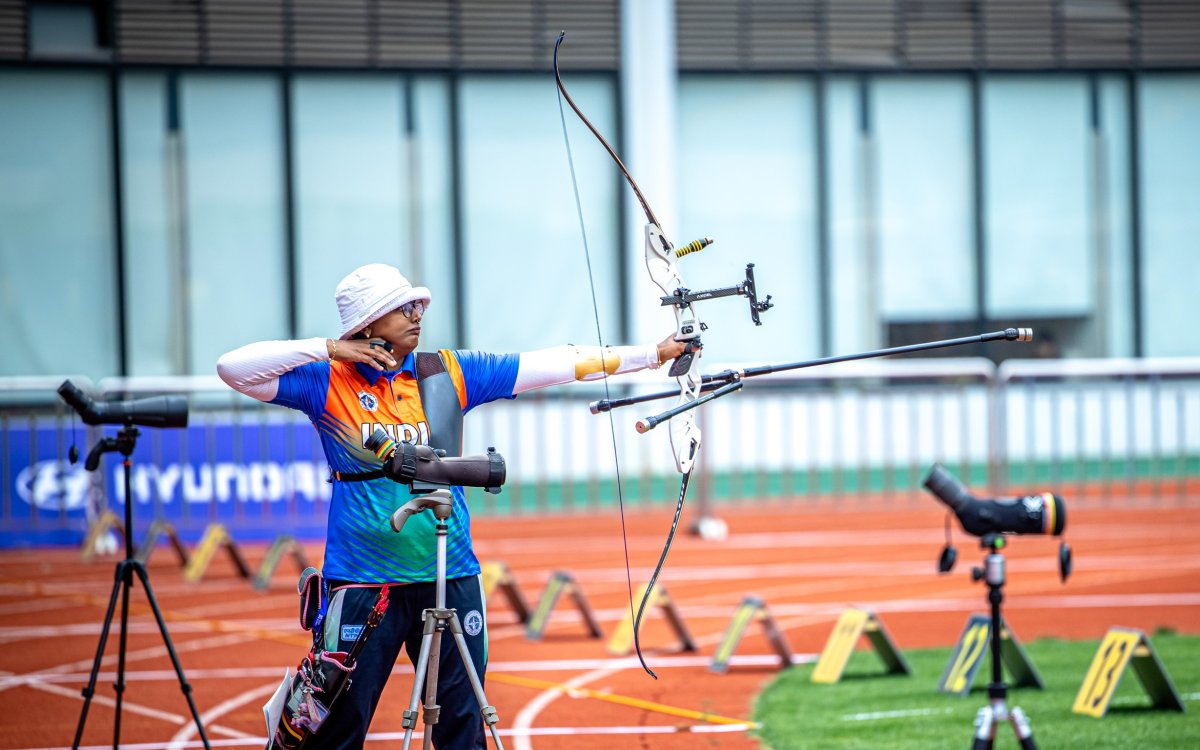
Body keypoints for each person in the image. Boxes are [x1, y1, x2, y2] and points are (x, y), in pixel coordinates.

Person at [217, 263, 686, 749]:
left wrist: (652, 355)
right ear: (369, 324)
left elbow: (555, 363)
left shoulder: (449, 371)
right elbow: (232, 368)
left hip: (449, 574)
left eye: (417, 305)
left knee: (461, 725)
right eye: (403, 308)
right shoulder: (326, 381)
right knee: (335, 729)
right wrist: (334, 348)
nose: (418, 313)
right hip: (362, 582)